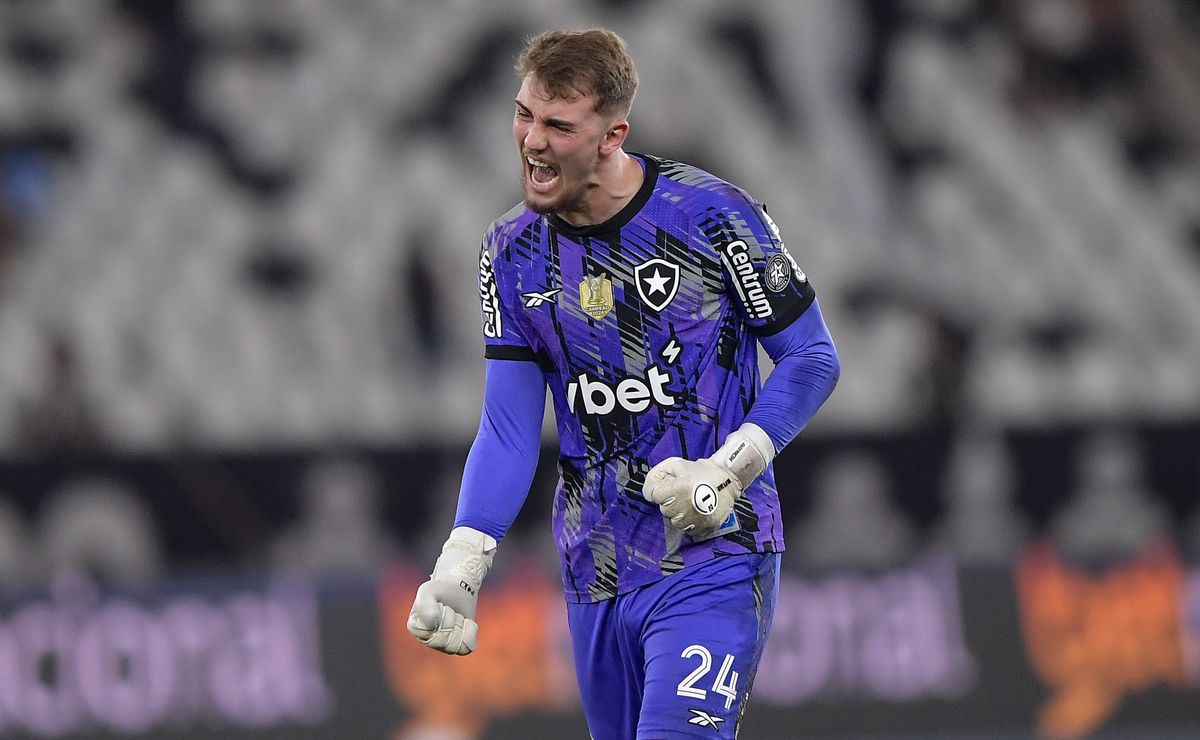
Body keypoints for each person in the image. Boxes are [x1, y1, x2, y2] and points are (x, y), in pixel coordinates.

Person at [408, 28, 839, 739]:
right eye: (524, 115)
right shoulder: (511, 251)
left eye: (558, 126)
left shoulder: (712, 215)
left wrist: (729, 470)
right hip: (597, 567)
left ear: (613, 136)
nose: (532, 142)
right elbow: (510, 428)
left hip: (713, 551)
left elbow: (812, 357)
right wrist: (465, 555)